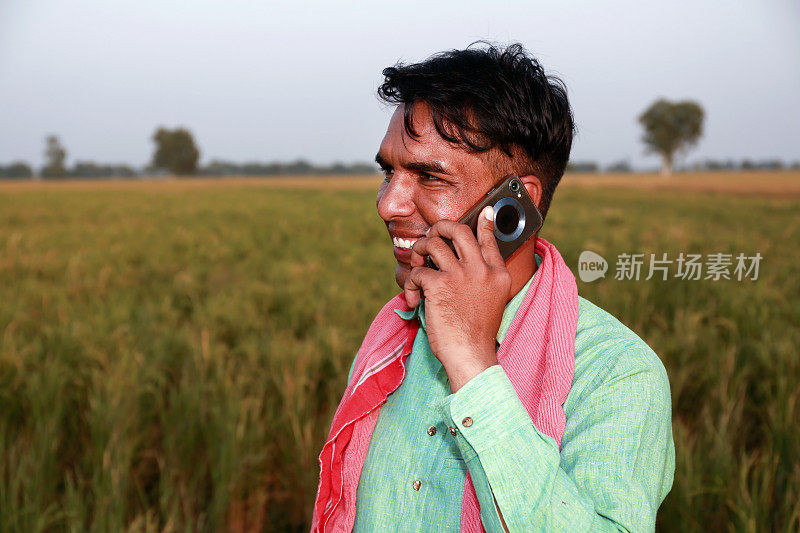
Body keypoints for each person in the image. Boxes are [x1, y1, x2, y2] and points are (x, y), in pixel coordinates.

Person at [311, 43, 675, 532]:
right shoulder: (394, 336)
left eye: (429, 176)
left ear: (515, 207)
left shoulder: (616, 372)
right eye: (388, 171)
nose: (389, 204)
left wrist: (473, 368)